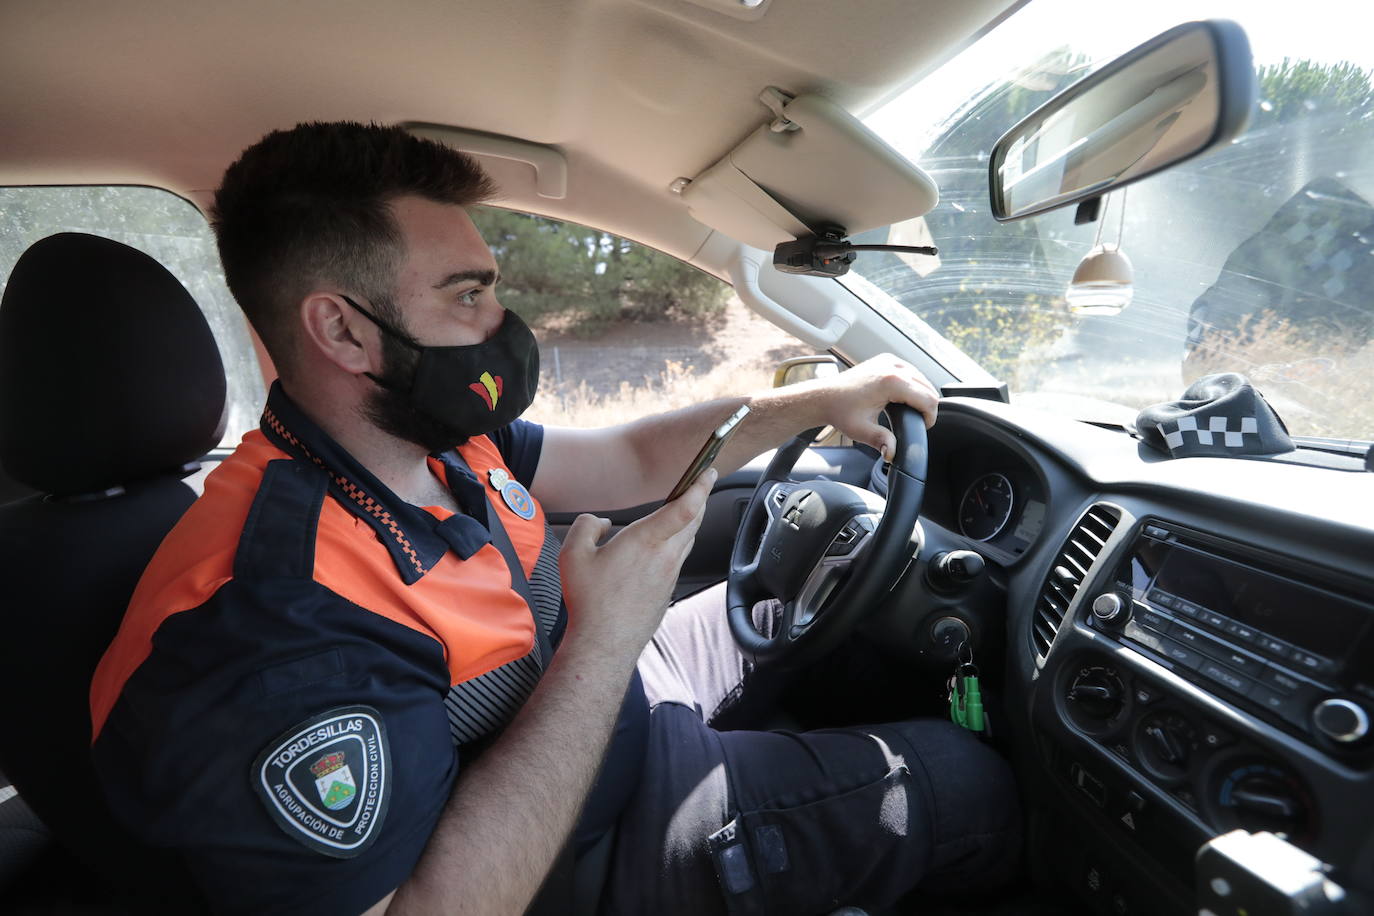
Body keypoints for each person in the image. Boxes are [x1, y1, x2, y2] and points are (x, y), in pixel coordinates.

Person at [89, 121, 1020, 916]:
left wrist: (820, 400)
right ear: (343, 331)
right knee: (969, 786)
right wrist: (605, 641)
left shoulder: (431, 437)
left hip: (597, 696)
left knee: (804, 618)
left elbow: (628, 459)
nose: (503, 319)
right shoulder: (274, 623)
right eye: (467, 292)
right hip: (582, 848)